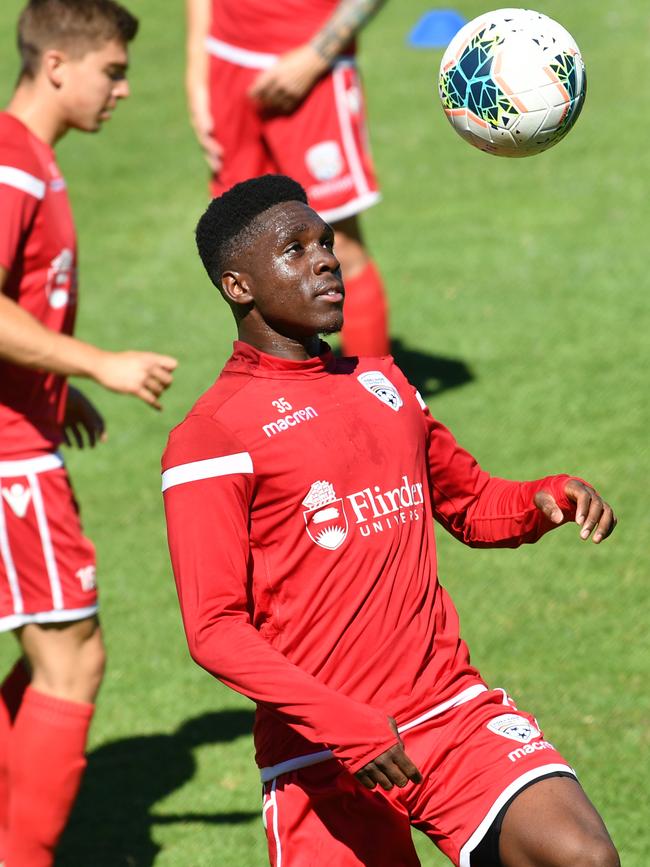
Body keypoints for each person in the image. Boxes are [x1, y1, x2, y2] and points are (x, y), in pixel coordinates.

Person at [161, 174, 619, 867]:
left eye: (325, 242)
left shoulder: (383, 383)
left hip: (448, 711)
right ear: (238, 286)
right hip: (318, 753)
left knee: (581, 855)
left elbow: (467, 501)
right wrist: (346, 726)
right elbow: (214, 628)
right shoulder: (213, 435)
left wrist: (544, 498)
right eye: (295, 249)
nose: (325, 259)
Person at [0, 2, 177, 864]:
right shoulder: (12, 164)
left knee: (49, 660)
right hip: (7, 461)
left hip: (23, 435)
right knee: (72, 663)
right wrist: (95, 362)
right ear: (57, 64)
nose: (124, 88)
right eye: (112, 70)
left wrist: (55, 389)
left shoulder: (31, 160)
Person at [185, 0, 391, 357]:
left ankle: (376, 400)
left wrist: (315, 55)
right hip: (226, 62)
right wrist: (197, 68)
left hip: (311, 65)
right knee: (246, 247)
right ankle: (284, 400)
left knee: (335, 242)